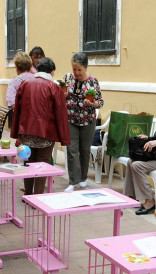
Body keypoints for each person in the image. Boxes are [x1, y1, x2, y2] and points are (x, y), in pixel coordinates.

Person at [10, 57, 70, 195]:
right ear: (52, 71)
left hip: (26, 131)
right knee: (42, 164)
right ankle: (37, 197)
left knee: (28, 161)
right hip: (46, 133)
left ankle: (28, 194)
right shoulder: (53, 87)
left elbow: (17, 109)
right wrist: (64, 137)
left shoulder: (25, 84)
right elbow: (60, 113)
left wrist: (16, 131)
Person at [63, 52, 103, 192]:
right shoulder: (67, 78)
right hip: (71, 119)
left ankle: (83, 178)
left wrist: (92, 104)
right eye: (74, 69)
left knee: (84, 150)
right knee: (72, 150)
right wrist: (63, 95)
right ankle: (73, 181)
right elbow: (61, 94)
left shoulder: (93, 81)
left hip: (88, 121)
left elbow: (100, 102)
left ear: (85, 68)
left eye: (79, 70)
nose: (76, 73)